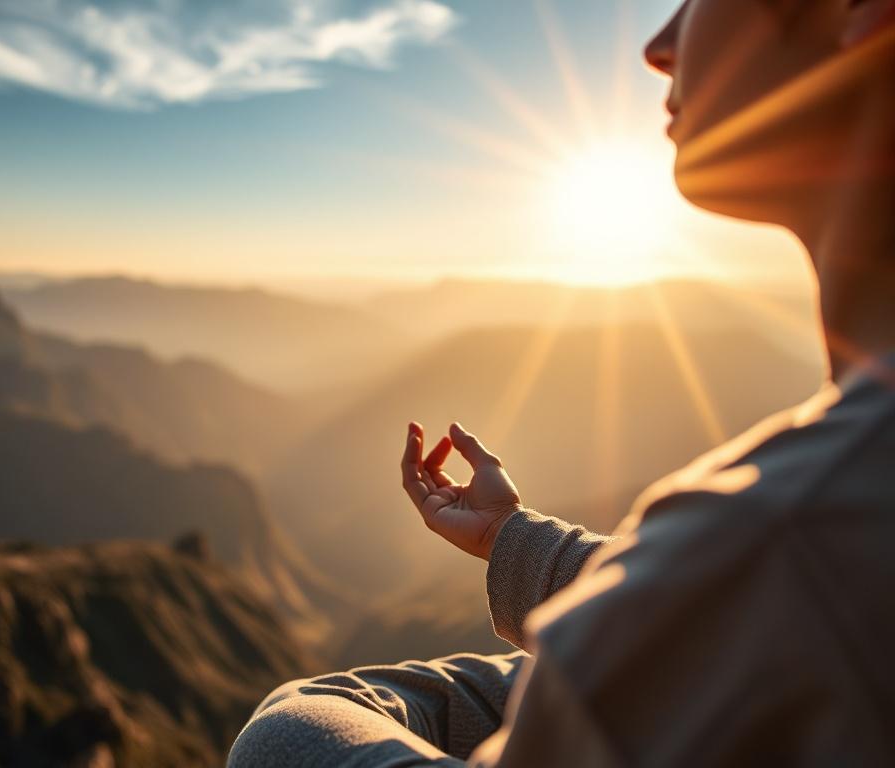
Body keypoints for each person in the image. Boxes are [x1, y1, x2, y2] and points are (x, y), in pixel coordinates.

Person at [229, 0, 895, 764]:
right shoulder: (816, 531)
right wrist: (515, 540)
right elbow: (772, 609)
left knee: (303, 721)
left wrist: (287, 735)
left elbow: (772, 580)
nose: (659, 45)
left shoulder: (783, 533)